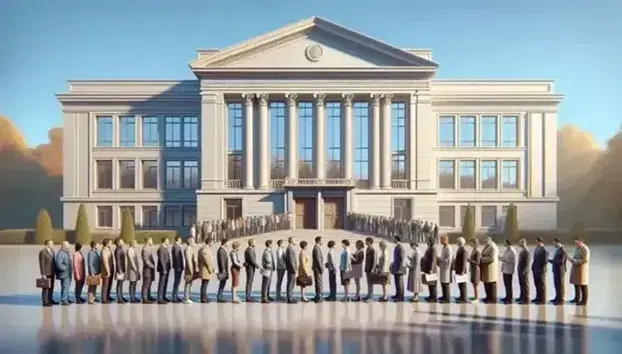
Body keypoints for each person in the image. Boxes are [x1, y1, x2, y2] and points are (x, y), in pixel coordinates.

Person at [568, 238, 590, 306]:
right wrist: (571, 259)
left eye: (577, 243)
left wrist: (575, 261)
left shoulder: (585, 249)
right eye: (575, 243)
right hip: (576, 269)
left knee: (583, 285)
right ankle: (577, 298)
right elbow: (576, 257)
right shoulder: (578, 248)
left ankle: (584, 301)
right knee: (576, 283)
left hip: (582, 269)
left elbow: (585, 260)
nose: (576, 244)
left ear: (581, 242)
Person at [480, 236, 499, 304]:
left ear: (489, 240)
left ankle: (493, 299)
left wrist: (482, 259)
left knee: (492, 284)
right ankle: (488, 297)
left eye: (486, 240)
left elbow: (492, 258)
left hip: (491, 269)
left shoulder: (493, 247)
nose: (485, 242)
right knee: (487, 284)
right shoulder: (487, 246)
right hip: (486, 268)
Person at [38, 239, 56, 306]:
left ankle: (50, 299)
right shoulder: (43, 252)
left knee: (51, 287)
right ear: (47, 244)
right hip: (46, 273)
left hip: (52, 272)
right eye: (51, 243)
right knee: (45, 288)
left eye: (53, 243)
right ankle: (45, 301)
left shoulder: (52, 251)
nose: (53, 245)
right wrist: (43, 274)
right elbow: (42, 264)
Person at [549, 238, 567, 305]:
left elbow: (561, 262)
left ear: (558, 242)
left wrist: (552, 261)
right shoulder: (557, 249)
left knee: (560, 285)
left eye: (554, 243)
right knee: (556, 284)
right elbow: (556, 260)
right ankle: (557, 297)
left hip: (560, 270)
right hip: (556, 270)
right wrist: (550, 261)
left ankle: (561, 300)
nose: (553, 245)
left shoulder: (563, 250)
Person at [531, 237, 549, 304]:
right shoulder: (537, 249)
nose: (536, 243)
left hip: (541, 271)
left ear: (540, 242)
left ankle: (542, 299)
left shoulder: (544, 250)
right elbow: (535, 259)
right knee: (537, 284)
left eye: (536, 242)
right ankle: (538, 297)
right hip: (535, 270)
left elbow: (545, 261)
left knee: (542, 285)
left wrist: (539, 268)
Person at [55, 241, 73, 306]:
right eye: (68, 245)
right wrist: (65, 268)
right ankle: (64, 300)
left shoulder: (66, 253)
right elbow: (58, 264)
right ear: (64, 246)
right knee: (65, 287)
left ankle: (66, 298)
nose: (69, 246)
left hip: (68, 273)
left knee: (67, 287)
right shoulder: (61, 253)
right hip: (64, 274)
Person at [499, 239, 517, 304]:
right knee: (506, 285)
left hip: (509, 270)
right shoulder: (508, 249)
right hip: (505, 270)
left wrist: (501, 258)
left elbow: (511, 261)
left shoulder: (512, 251)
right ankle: (507, 297)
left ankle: (510, 299)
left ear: (508, 243)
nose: (504, 244)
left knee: (509, 285)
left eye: (505, 242)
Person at [421, 237, 438, 302]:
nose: (426, 241)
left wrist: (431, 269)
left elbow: (433, 260)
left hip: (432, 269)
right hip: (428, 268)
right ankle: (431, 296)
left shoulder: (433, 249)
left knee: (433, 284)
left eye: (427, 240)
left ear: (430, 241)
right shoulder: (429, 247)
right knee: (430, 283)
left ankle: (434, 298)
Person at [198, 238, 215, 303]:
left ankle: (205, 296)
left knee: (205, 283)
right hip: (205, 269)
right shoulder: (204, 249)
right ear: (209, 242)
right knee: (204, 284)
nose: (212, 243)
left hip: (207, 268)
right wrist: (210, 268)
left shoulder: (206, 248)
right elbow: (207, 260)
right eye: (212, 242)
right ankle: (203, 298)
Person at [156, 237, 172, 304]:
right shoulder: (161, 248)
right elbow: (161, 260)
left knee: (165, 283)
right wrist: (164, 269)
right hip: (163, 269)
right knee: (162, 283)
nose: (168, 242)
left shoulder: (165, 248)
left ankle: (163, 296)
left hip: (167, 268)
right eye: (168, 240)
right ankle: (160, 298)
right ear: (165, 241)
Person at [438, 235, 453, 303]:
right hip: (442, 267)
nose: (440, 241)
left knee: (446, 284)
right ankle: (444, 296)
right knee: (442, 283)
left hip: (446, 268)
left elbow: (449, 259)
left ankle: (447, 298)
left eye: (441, 240)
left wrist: (441, 259)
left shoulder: (448, 248)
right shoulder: (444, 247)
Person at [391, 236, 406, 302]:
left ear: (396, 239)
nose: (392, 240)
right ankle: (397, 294)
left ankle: (400, 297)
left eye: (393, 239)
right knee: (397, 282)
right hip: (396, 267)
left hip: (400, 267)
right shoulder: (397, 246)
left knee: (400, 283)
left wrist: (400, 268)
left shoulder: (400, 247)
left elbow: (402, 258)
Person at [516, 239, 531, 304]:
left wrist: (524, 271)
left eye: (520, 242)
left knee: (525, 284)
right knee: (521, 284)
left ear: (523, 243)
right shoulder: (522, 250)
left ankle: (526, 299)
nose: (518, 244)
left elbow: (527, 263)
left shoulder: (527, 251)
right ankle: (522, 296)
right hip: (520, 270)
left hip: (524, 271)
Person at [183, 237, 198, 304]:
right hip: (189, 269)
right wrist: (191, 269)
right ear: (189, 242)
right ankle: (186, 298)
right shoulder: (188, 249)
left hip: (191, 268)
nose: (194, 242)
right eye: (193, 241)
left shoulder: (190, 248)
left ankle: (188, 296)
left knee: (190, 283)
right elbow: (189, 260)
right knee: (188, 283)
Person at [141, 237, 156, 304]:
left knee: (149, 283)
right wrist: (152, 266)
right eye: (151, 240)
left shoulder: (148, 248)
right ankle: (145, 298)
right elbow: (146, 261)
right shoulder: (145, 249)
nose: (152, 241)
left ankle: (148, 296)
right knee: (146, 284)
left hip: (149, 270)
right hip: (147, 270)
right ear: (148, 241)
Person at [454, 237, 468, 303]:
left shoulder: (464, 250)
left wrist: (462, 270)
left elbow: (464, 261)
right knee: (460, 284)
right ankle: (461, 296)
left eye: (457, 242)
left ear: (460, 243)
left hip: (462, 270)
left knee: (463, 285)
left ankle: (464, 299)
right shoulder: (459, 249)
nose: (457, 243)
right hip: (458, 269)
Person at [113, 238, 128, 304]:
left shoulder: (120, 249)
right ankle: (119, 298)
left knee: (121, 284)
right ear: (118, 243)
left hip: (122, 269)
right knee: (119, 284)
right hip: (120, 269)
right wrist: (119, 270)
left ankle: (121, 296)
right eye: (122, 241)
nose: (123, 242)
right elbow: (118, 260)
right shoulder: (117, 250)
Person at [284, 237, 298, 304]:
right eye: (295, 240)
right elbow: (291, 260)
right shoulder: (290, 248)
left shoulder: (290, 248)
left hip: (291, 268)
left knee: (291, 283)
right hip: (291, 269)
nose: (295, 241)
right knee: (290, 283)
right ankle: (289, 298)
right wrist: (294, 269)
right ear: (292, 241)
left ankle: (291, 297)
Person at [171, 236, 184, 303]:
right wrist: (179, 267)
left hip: (178, 267)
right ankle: (174, 297)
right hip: (178, 267)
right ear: (178, 239)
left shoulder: (176, 246)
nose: (181, 240)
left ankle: (176, 295)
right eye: (180, 239)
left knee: (177, 282)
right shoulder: (176, 247)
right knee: (176, 282)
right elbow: (177, 258)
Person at [468, 239, 481, 303]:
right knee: (474, 284)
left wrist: (469, 260)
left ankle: (477, 298)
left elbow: (478, 262)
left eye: (471, 243)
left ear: (475, 243)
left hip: (476, 269)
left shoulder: (477, 251)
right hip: (473, 269)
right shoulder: (474, 250)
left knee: (475, 284)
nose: (470, 245)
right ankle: (475, 296)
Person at [363, 237, 377, 302]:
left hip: (371, 269)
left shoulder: (373, 250)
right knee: (368, 283)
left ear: (369, 242)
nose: (365, 242)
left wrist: (373, 268)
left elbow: (374, 260)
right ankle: (368, 294)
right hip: (367, 268)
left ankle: (371, 297)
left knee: (371, 283)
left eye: (366, 241)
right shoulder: (367, 249)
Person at [100, 238, 113, 304]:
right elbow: (105, 262)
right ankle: (104, 299)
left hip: (110, 270)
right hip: (106, 271)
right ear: (107, 243)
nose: (111, 244)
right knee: (105, 285)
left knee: (109, 284)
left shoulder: (108, 249)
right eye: (110, 242)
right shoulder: (104, 251)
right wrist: (108, 271)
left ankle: (107, 296)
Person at [216, 238, 229, 302]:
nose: (228, 244)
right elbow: (222, 260)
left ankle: (220, 295)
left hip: (224, 269)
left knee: (223, 283)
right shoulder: (221, 250)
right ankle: (219, 296)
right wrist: (223, 269)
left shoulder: (222, 250)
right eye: (227, 242)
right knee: (222, 283)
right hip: (223, 270)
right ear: (225, 243)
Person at [311, 236, 324, 303]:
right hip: (318, 268)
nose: (322, 242)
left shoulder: (316, 248)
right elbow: (318, 259)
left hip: (316, 268)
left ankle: (317, 296)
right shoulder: (316, 248)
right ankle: (319, 297)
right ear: (319, 241)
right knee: (319, 283)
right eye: (321, 240)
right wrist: (321, 268)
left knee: (317, 282)